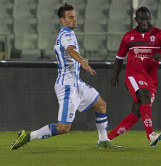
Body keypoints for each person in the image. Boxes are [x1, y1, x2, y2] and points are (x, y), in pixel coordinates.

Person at [10, 2, 121, 150]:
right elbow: (70, 50)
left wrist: (81, 60)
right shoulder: (65, 35)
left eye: (75, 16)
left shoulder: (70, 33)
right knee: (63, 128)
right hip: (67, 86)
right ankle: (28, 136)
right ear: (62, 20)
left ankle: (103, 140)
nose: (74, 19)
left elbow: (71, 52)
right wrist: (81, 60)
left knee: (101, 104)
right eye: (70, 17)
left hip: (77, 83)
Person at [108, 6, 161, 147]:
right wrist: (115, 75)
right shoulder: (128, 37)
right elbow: (119, 58)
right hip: (133, 75)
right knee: (144, 95)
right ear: (136, 20)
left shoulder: (160, 34)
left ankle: (106, 139)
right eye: (141, 19)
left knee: (137, 112)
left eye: (147, 19)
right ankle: (151, 135)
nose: (145, 22)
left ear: (150, 18)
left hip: (151, 80)